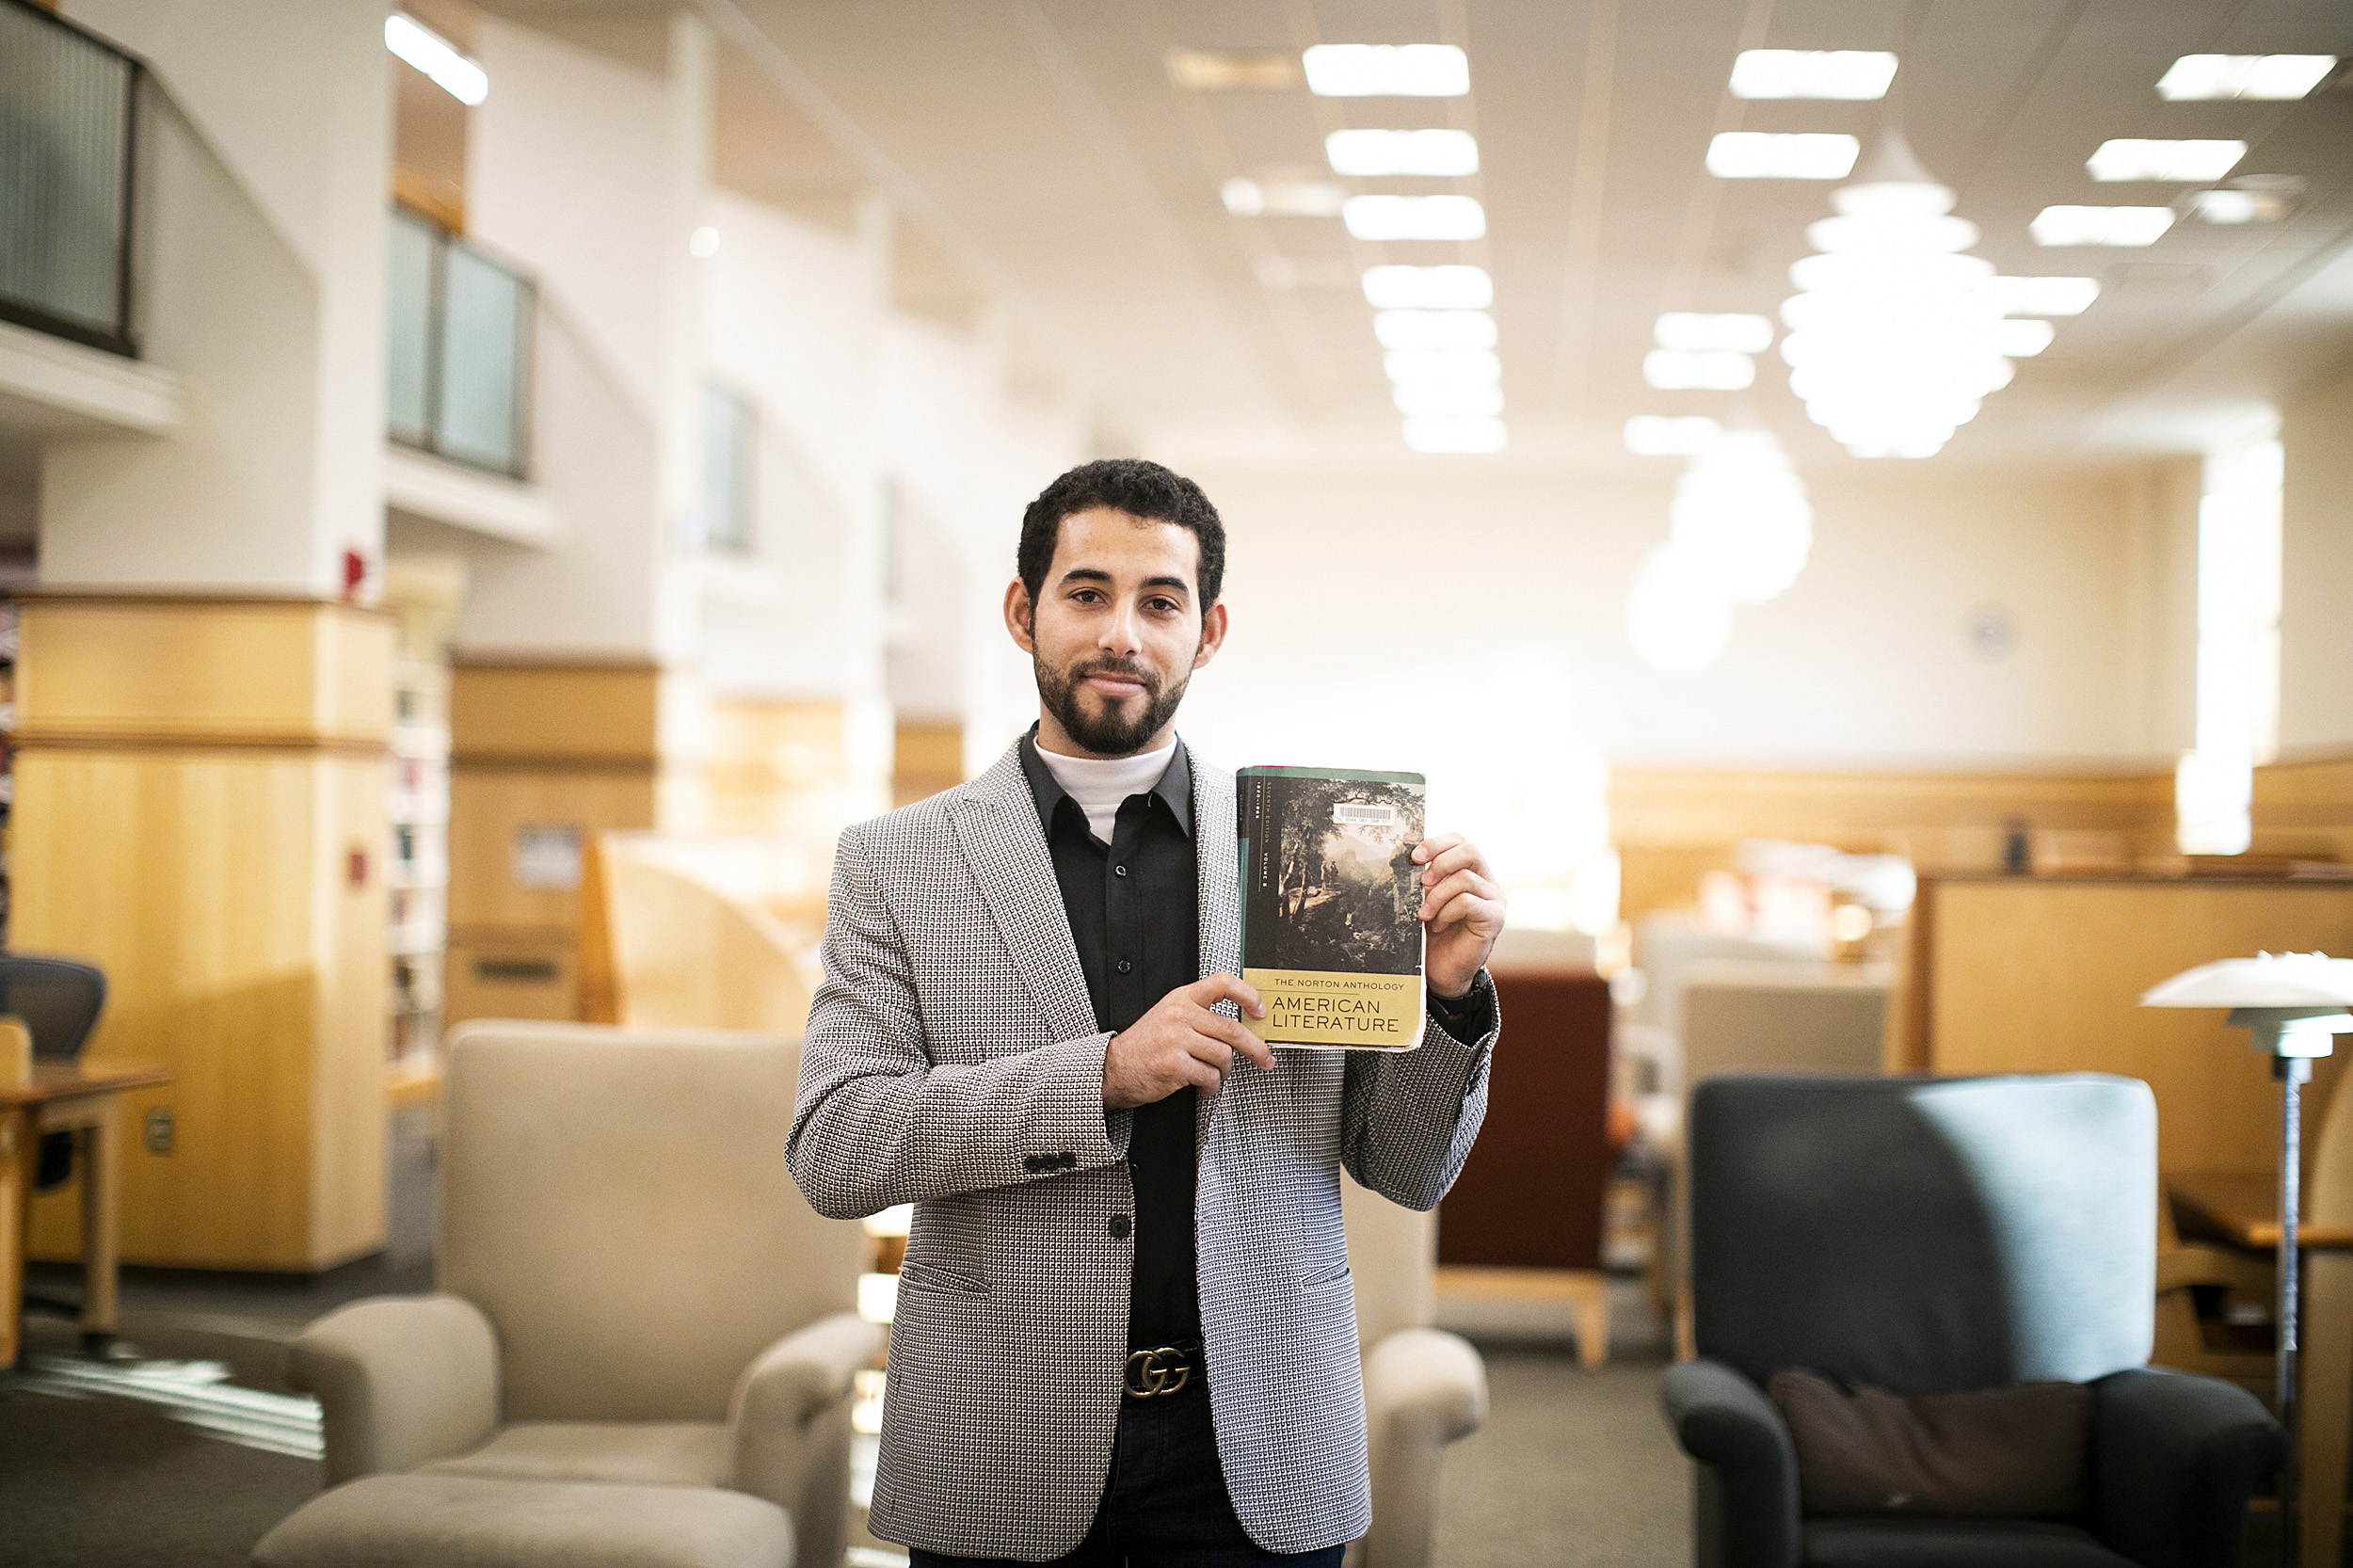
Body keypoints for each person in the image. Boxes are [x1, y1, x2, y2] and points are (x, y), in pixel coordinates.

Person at [789, 458, 1504, 1566]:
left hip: (1258, 1438)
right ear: (1025, 609)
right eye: (1087, 593)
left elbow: (1405, 1169)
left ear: (1207, 630)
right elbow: (837, 1147)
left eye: (1159, 601)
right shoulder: (896, 861)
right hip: (998, 1431)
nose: (1122, 631)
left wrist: (1448, 992)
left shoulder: (1317, 849)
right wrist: (1103, 1073)